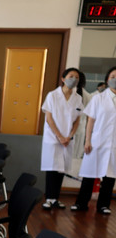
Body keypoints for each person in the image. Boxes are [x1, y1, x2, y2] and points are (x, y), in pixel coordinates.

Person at [71, 66, 116, 215]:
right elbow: (90, 121)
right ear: (107, 79)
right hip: (97, 142)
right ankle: (81, 203)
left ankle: (103, 205)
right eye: (112, 76)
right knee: (89, 174)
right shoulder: (98, 98)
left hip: (114, 144)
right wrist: (87, 141)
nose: (115, 79)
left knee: (109, 177)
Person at [39, 68, 84, 210]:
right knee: (52, 169)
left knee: (61, 169)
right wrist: (60, 136)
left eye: (76, 77)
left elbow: (77, 120)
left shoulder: (78, 98)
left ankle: (55, 199)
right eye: (71, 76)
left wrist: (69, 136)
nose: (74, 79)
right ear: (63, 79)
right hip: (53, 138)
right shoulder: (52, 96)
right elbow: (49, 118)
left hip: (67, 140)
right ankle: (48, 199)